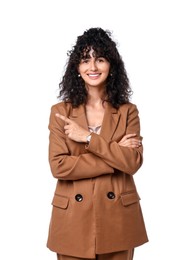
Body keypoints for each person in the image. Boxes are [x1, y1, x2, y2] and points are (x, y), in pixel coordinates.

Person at [47, 27, 148, 260]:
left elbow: (132, 162)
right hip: (72, 219)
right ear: (77, 68)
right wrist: (114, 157)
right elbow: (59, 166)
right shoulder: (60, 112)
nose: (92, 67)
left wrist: (89, 138)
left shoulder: (127, 112)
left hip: (118, 219)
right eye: (85, 60)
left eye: (100, 59)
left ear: (111, 66)